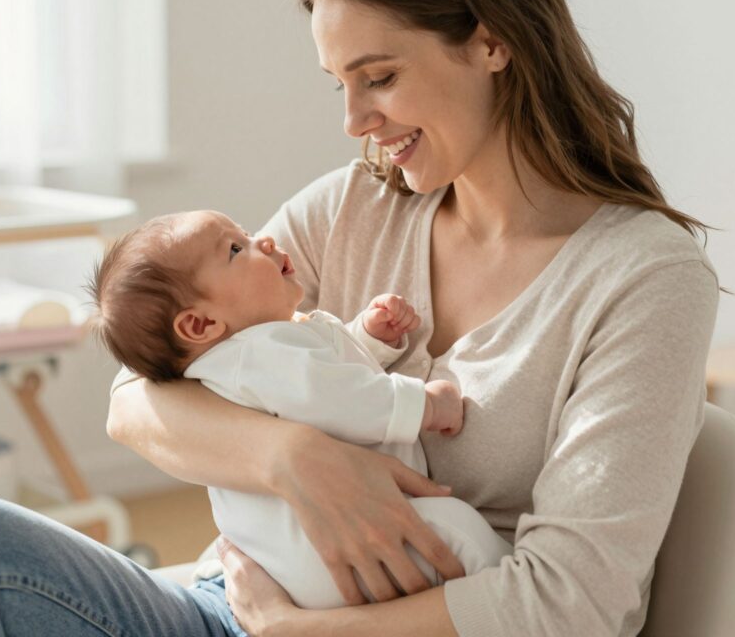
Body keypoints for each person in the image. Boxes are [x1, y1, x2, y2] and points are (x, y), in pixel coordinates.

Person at [0, 0, 719, 637]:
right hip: (238, 608)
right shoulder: (353, 207)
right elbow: (135, 398)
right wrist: (292, 457)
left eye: (379, 77)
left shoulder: (643, 277)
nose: (354, 121)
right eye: (340, 85)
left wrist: (296, 632)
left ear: (492, 42)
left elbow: (574, 604)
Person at [86, 209, 511, 608]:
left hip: (284, 562)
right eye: (235, 249)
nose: (265, 241)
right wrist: (426, 405)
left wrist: (368, 339)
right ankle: (516, 595)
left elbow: (323, 379)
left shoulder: (252, 354)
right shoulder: (260, 354)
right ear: (200, 324)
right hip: (327, 554)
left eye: (246, 234)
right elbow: (343, 400)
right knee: (459, 528)